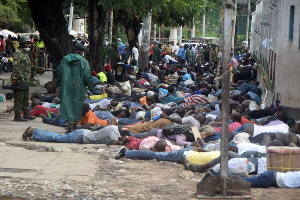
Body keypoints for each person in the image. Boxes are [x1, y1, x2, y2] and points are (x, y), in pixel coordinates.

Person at [56, 44, 95, 131]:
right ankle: (74, 125)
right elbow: (87, 77)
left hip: (66, 86)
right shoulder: (84, 62)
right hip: (79, 87)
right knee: (77, 105)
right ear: (82, 52)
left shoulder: (65, 59)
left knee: (67, 103)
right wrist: (92, 88)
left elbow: (58, 72)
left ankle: (68, 122)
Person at [11, 36, 36, 122]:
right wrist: (15, 78)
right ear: (22, 44)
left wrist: (36, 68)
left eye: (29, 43)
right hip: (20, 79)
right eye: (26, 43)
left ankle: (26, 113)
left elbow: (27, 66)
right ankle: (17, 115)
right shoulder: (18, 53)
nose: (28, 45)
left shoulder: (26, 54)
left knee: (26, 97)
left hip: (26, 79)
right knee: (19, 97)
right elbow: (15, 66)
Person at [22, 125, 121, 145]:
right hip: (81, 136)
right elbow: (113, 142)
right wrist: (122, 143)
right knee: (57, 138)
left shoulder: (113, 127)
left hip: (82, 134)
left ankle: (35, 131)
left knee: (58, 137)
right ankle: (34, 131)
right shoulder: (115, 132)